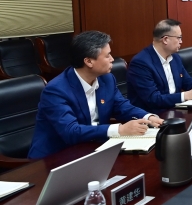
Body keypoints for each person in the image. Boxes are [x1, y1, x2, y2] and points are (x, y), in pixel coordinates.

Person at [29, 31, 164, 159]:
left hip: (92, 149)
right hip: (54, 158)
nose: (112, 59)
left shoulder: (107, 79)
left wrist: (148, 117)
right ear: (89, 61)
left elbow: (122, 106)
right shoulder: (56, 90)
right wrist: (120, 129)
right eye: (107, 55)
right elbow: (70, 131)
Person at [127, 20, 192, 112]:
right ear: (165, 39)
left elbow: (187, 81)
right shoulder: (141, 63)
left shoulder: (175, 57)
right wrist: (186, 95)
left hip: (175, 110)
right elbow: (153, 99)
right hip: (153, 116)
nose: (181, 42)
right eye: (179, 38)